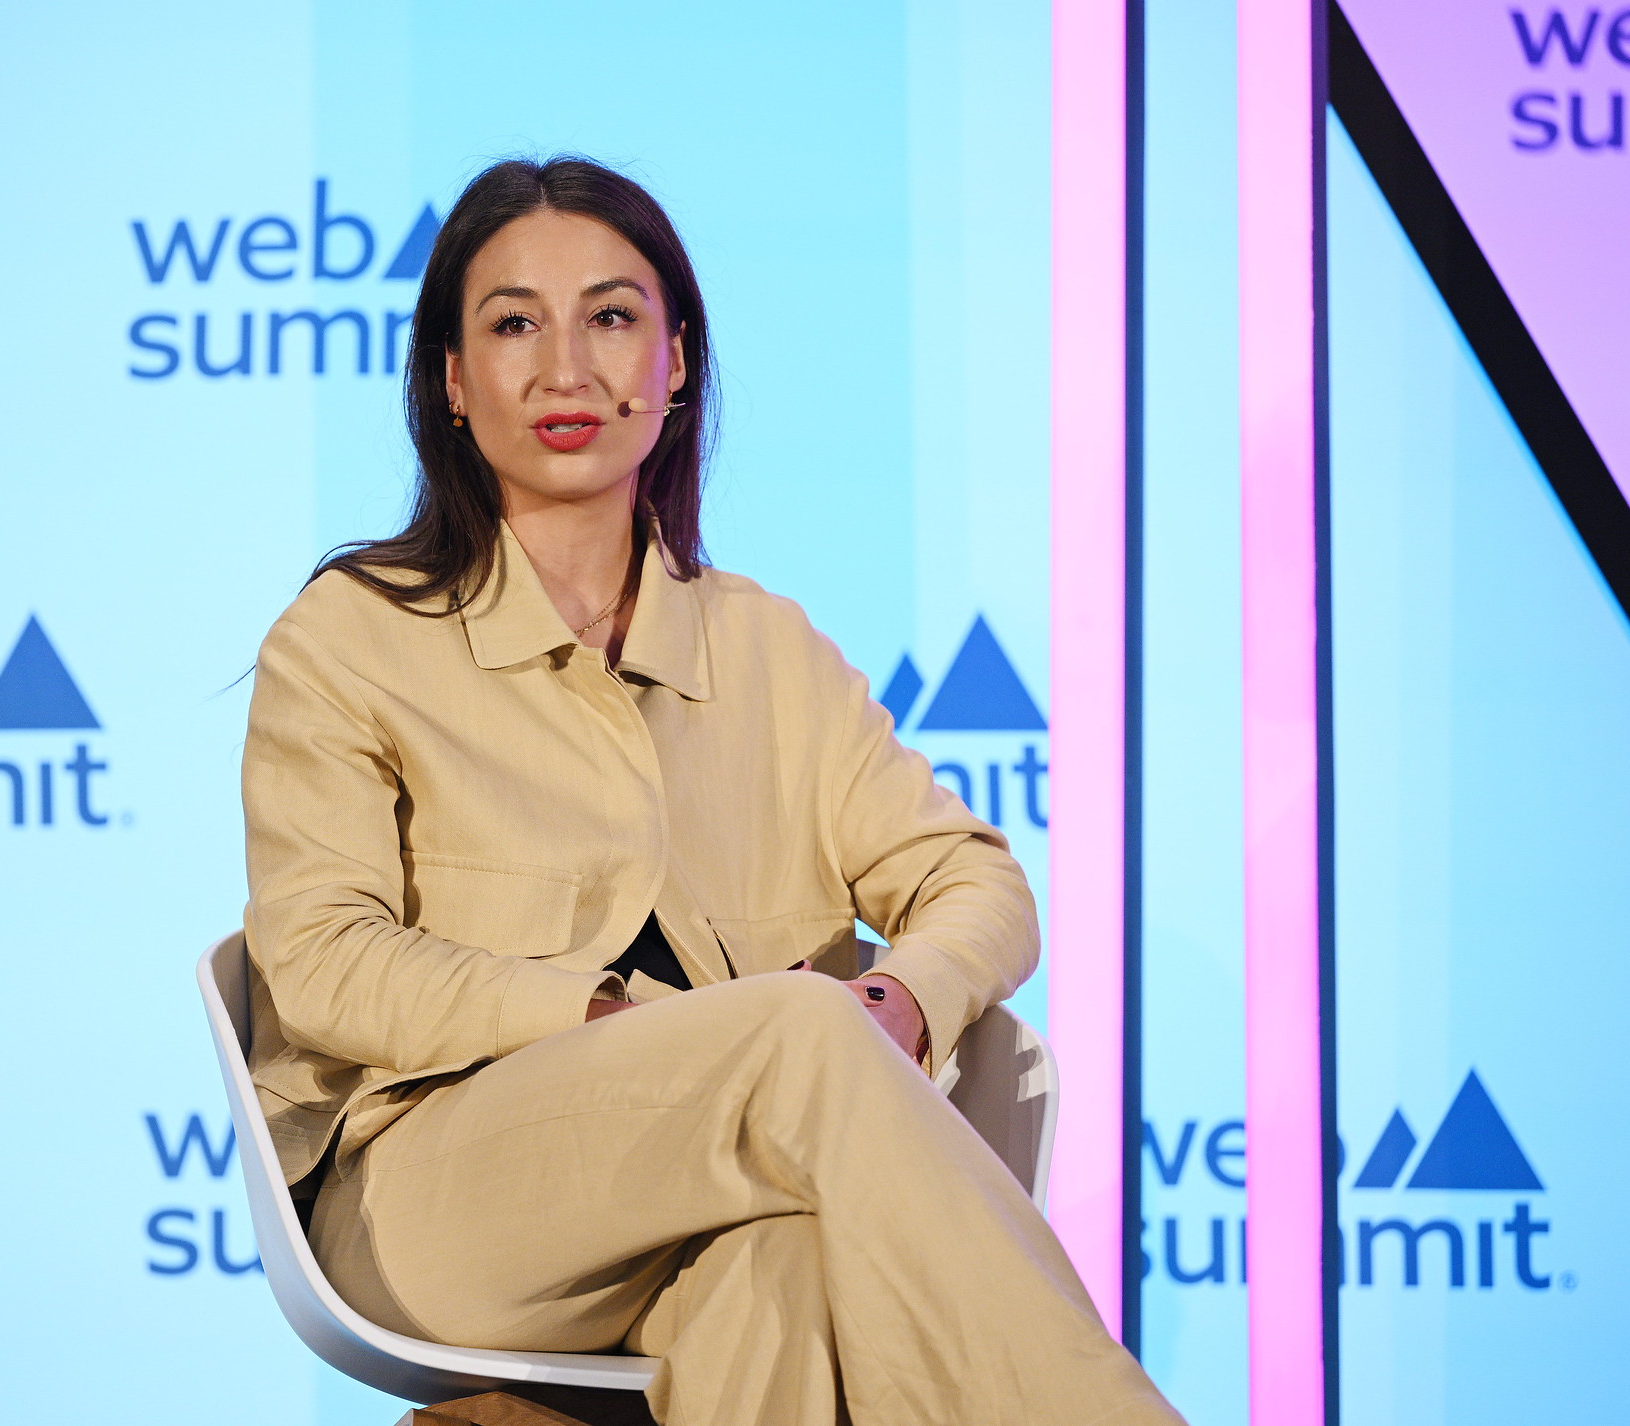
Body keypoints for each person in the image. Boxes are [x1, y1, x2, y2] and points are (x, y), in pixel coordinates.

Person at [241, 155, 1181, 1426]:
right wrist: (597, 1014)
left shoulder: (761, 646)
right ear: (453, 383)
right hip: (437, 1202)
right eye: (514, 322)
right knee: (803, 1032)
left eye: (612, 317)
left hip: (708, 1181)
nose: (566, 366)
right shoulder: (353, 635)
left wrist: (900, 1004)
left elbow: (974, 881)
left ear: (675, 361)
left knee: (779, 1260)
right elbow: (323, 959)